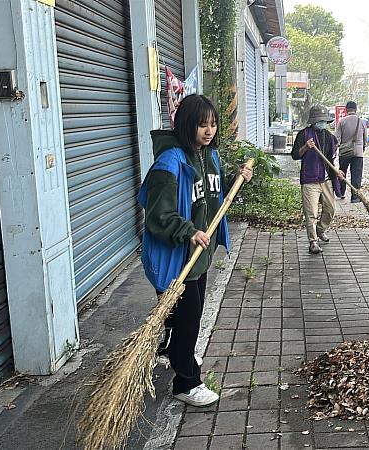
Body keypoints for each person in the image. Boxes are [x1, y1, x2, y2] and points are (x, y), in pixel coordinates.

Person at [138, 94, 253, 407]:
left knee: (188, 315)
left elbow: (212, 195)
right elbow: (158, 215)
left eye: (213, 124)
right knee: (189, 319)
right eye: (202, 124)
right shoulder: (169, 163)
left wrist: (235, 181)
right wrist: (188, 231)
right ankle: (186, 383)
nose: (209, 130)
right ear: (186, 124)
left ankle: (175, 350)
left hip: (199, 257)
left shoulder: (210, 157)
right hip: (177, 258)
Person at [292, 105, 341, 254]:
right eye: (320, 120)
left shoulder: (330, 137)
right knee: (311, 212)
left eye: (325, 121)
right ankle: (313, 241)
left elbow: (332, 159)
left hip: (325, 179)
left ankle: (321, 230)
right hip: (310, 180)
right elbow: (295, 155)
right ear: (313, 121)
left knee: (330, 209)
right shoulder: (303, 134)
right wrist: (305, 147)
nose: (322, 123)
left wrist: (337, 171)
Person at [334, 101, 366, 203]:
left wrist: (335, 150)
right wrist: (363, 147)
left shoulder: (342, 122)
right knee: (356, 175)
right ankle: (355, 197)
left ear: (346, 109)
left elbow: (337, 139)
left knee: (342, 172)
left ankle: (341, 192)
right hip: (358, 152)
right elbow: (365, 138)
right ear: (356, 109)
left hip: (344, 152)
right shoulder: (361, 122)